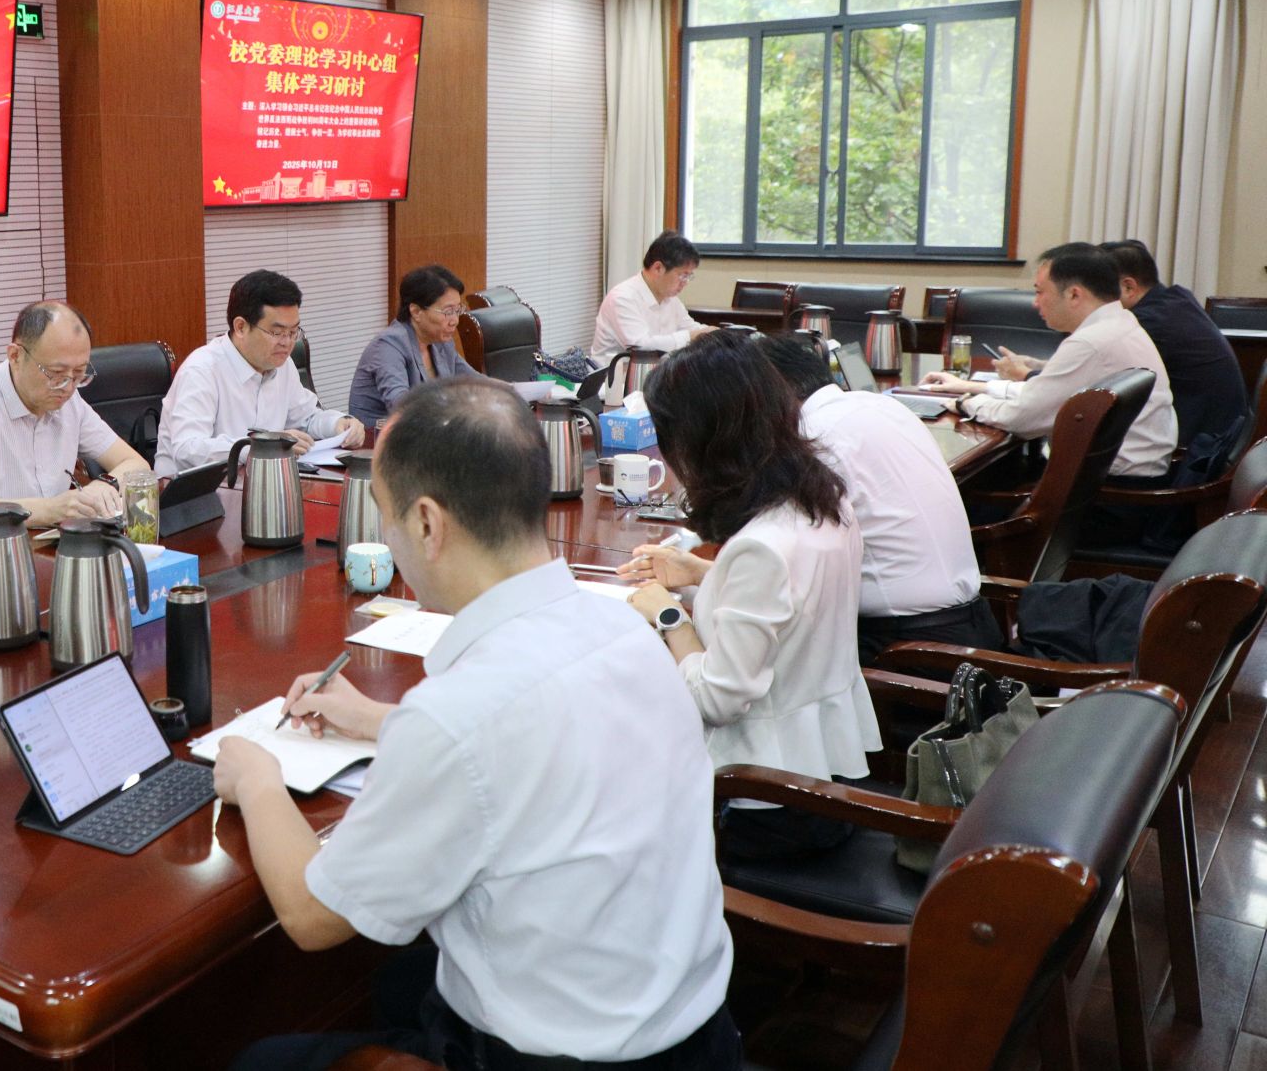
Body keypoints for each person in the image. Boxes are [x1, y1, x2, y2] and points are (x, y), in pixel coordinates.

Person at [216, 378, 737, 1071]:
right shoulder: (624, 626)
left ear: (427, 524)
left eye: (385, 515)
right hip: (695, 1028)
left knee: (262, 1058)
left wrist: (256, 777)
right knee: (401, 982)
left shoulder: (458, 715)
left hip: (563, 1057)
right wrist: (375, 719)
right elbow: (533, 736)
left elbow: (313, 917)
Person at [618, 332, 879, 860]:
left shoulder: (760, 546)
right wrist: (700, 573)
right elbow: (793, 605)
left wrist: (669, 616)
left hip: (762, 803)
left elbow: (717, 700)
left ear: (698, 441)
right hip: (830, 776)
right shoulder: (823, 499)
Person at [756, 335, 1000, 663]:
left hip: (908, 648)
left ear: (771, 395)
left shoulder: (812, 437)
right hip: (976, 625)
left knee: (757, 653)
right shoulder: (883, 405)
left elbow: (794, 565)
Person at [921, 243, 1178, 480]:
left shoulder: (1090, 342)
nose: (1035, 303)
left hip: (1109, 490)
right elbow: (1047, 394)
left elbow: (1021, 418)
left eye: (1039, 292)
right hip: (1128, 477)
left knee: (961, 481)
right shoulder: (1121, 322)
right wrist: (974, 387)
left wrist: (966, 404)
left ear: (1074, 294)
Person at [0, 301, 150, 532]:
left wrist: (105, 486)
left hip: (47, 545)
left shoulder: (69, 402)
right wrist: (48, 510)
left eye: (79, 373)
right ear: (15, 356)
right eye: (56, 373)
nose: (67, 387)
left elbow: (137, 466)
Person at [154, 269, 364, 476]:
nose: (287, 343)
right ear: (241, 327)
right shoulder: (202, 370)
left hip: (257, 483)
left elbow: (306, 419)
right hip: (196, 493)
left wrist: (338, 423)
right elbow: (188, 449)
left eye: (293, 332)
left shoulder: (283, 365)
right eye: (277, 332)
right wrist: (262, 447)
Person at [1100, 239, 1248, 456]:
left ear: (1128, 287)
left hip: (1195, 452)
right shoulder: (1176, 299)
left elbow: (1103, 385)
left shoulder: (1149, 322)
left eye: (1098, 289)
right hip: (1217, 438)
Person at [347, 264, 480, 429]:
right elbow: (401, 406)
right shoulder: (388, 346)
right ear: (416, 311)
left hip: (427, 433)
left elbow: (476, 383)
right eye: (448, 312)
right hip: (380, 439)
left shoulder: (441, 342)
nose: (455, 320)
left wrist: (509, 392)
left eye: (457, 310)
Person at [587, 231, 715, 360]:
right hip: (615, 372)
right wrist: (690, 336)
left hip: (656, 370)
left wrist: (715, 333)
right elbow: (640, 347)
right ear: (658, 268)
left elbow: (692, 328)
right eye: (683, 275)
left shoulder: (671, 299)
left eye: (689, 276)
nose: (685, 282)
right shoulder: (623, 298)